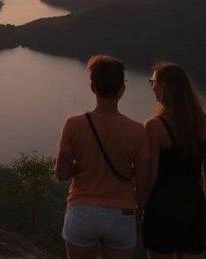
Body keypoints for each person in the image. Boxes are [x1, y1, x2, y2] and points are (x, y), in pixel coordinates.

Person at [56, 54, 149, 259]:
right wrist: (138, 213)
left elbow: (61, 173)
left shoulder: (73, 125)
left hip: (82, 211)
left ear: (93, 88)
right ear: (121, 89)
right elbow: (143, 182)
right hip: (121, 213)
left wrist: (83, 166)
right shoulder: (138, 131)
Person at [140, 62, 206, 258]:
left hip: (161, 209)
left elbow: (150, 177)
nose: (152, 87)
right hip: (194, 208)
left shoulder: (155, 127)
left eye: (154, 82)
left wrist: (138, 209)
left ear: (166, 87)